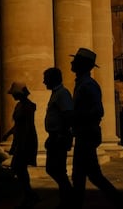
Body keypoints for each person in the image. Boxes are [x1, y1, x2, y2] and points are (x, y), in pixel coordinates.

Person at [70, 48, 123, 208]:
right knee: (81, 174)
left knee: (90, 174)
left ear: (82, 65)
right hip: (84, 133)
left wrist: (78, 117)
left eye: (75, 60)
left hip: (87, 134)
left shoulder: (88, 85)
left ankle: (118, 200)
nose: (72, 62)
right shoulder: (82, 83)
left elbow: (98, 110)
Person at [2, 82, 39, 208]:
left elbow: (27, 126)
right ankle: (29, 194)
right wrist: (8, 134)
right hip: (19, 141)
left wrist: (22, 144)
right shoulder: (19, 106)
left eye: (14, 94)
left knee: (18, 167)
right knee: (20, 169)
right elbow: (17, 125)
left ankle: (28, 194)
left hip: (25, 141)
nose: (12, 96)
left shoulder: (28, 106)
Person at [43, 67, 74, 208]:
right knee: (55, 169)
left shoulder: (62, 94)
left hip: (59, 137)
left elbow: (68, 115)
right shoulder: (56, 93)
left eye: (46, 78)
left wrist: (60, 135)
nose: (44, 82)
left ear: (52, 79)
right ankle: (66, 199)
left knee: (56, 169)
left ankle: (68, 197)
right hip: (55, 136)